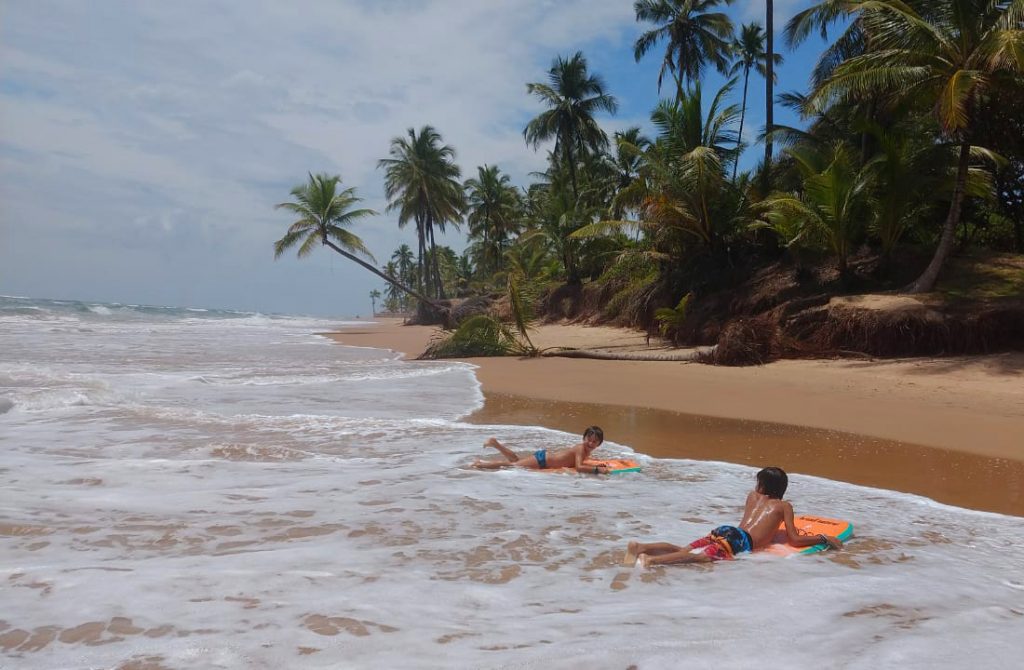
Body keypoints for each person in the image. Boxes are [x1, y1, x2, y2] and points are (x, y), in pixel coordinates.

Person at [623, 466, 844, 567]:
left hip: (726, 530)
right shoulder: (784, 505)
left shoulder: (752, 496)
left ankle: (640, 546)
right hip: (741, 540)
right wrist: (824, 538)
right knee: (704, 558)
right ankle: (651, 560)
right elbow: (794, 538)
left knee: (685, 549)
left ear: (761, 485)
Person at [472, 426, 610, 474]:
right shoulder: (581, 448)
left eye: (594, 441)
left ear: (599, 443)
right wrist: (597, 470)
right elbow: (579, 467)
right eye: (589, 439)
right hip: (543, 460)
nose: (591, 443)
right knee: (511, 466)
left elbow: (579, 462)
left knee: (516, 461)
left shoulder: (586, 451)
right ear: (583, 438)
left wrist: (595, 463)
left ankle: (495, 443)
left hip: (543, 459)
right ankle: (479, 464)